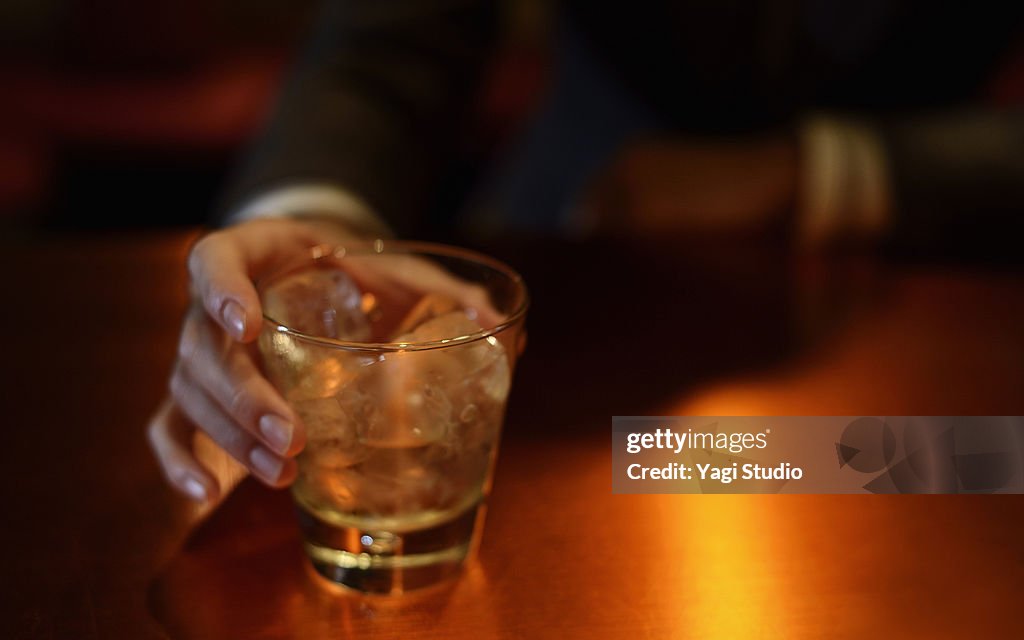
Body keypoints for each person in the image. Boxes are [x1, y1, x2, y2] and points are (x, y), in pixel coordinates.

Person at [148, 0, 1024, 501]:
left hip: (936, 329)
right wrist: (310, 228)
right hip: (561, 286)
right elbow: (386, 44)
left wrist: (833, 170)